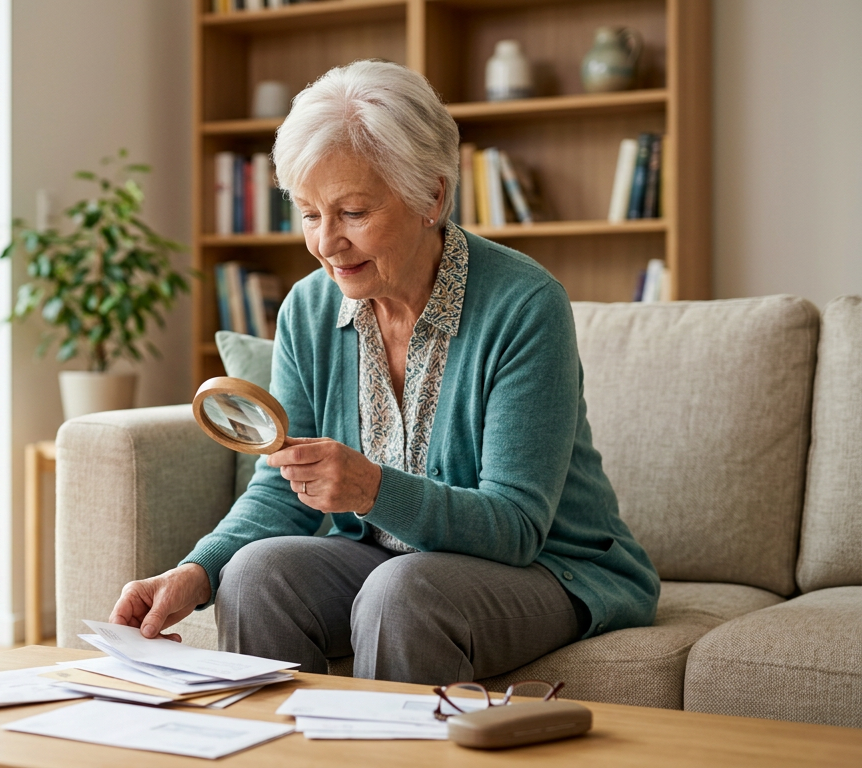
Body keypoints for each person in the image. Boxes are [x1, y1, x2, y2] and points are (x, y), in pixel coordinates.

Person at [107, 60, 660, 685]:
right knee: (257, 574)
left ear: (433, 195)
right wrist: (195, 572)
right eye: (311, 214)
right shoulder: (309, 309)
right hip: (384, 559)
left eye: (353, 213)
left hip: (551, 565)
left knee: (403, 591)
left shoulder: (525, 306)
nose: (327, 244)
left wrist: (373, 490)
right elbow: (280, 486)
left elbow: (516, 527)